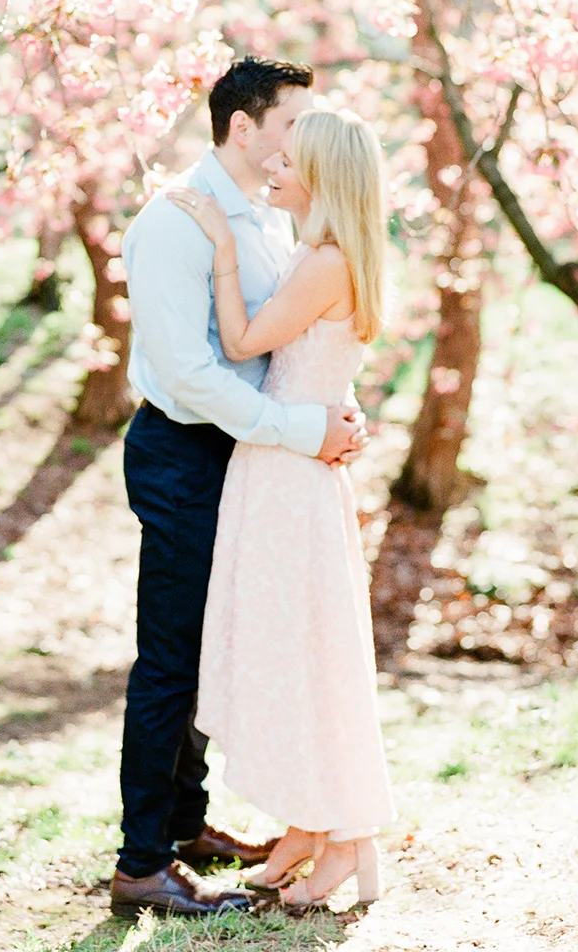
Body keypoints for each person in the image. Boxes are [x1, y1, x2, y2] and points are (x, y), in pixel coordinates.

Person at [108, 56, 368, 919]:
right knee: (171, 657)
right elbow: (190, 377)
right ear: (244, 126)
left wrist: (331, 407)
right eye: (292, 123)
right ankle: (142, 862)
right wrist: (300, 429)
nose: (303, 138)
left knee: (215, 640)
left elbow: (290, 339)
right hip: (185, 451)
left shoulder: (270, 219)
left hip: (251, 455)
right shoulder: (175, 222)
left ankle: (186, 826)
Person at [171, 107, 397, 911]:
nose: (273, 166)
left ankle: (342, 839)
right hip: (285, 468)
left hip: (289, 478)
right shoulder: (323, 255)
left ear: (322, 179)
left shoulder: (325, 263)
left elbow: (241, 343)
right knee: (295, 649)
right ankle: (307, 828)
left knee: (303, 655)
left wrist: (222, 251)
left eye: (289, 161)